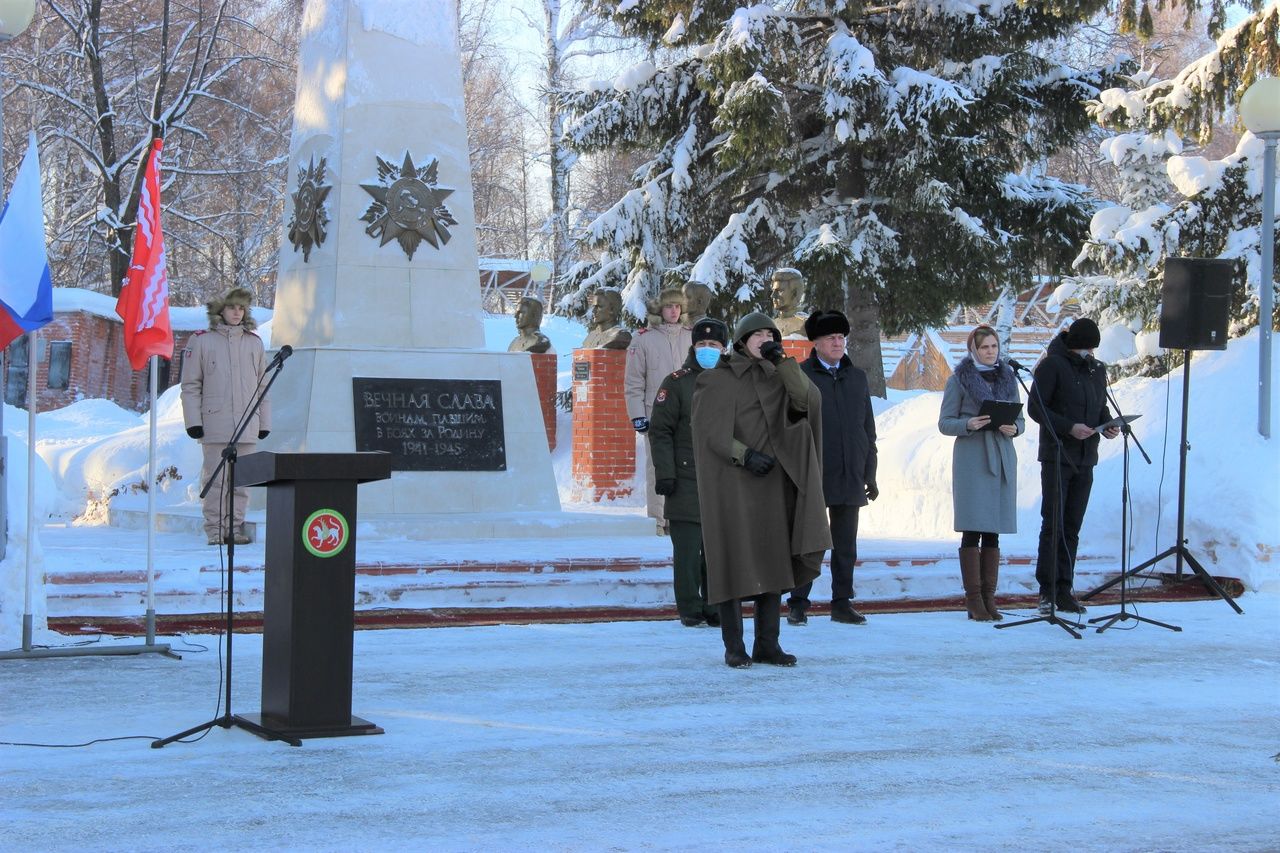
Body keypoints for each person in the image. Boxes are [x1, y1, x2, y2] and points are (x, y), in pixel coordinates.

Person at [692, 312, 830, 668]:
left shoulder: (778, 375)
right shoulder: (717, 380)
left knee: (773, 562)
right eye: (758, 334)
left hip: (773, 484)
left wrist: (783, 362)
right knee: (733, 561)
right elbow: (708, 432)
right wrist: (744, 455)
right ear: (741, 339)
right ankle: (734, 646)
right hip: (733, 484)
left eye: (771, 333)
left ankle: (767, 643)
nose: (765, 338)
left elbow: (809, 402)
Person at [789, 310, 879, 626]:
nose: (838, 343)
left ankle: (842, 602)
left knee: (846, 546)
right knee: (809, 542)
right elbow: (792, 427)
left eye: (842, 338)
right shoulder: (802, 376)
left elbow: (867, 428)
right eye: (831, 338)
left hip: (850, 471)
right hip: (814, 472)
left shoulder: (857, 377)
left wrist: (871, 471)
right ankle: (798, 602)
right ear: (817, 342)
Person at [1027, 318, 1120, 614]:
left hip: (1085, 456)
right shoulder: (1052, 365)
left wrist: (1106, 425)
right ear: (1072, 344)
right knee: (1053, 523)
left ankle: (1065, 587)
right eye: (1084, 348)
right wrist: (1069, 427)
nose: (1088, 353)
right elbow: (1036, 407)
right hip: (1057, 455)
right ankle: (1047, 590)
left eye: (1092, 349)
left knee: (1072, 526)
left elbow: (1098, 405)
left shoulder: (1097, 369)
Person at [938, 325, 1023, 622]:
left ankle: (990, 596)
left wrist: (1014, 428)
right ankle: (973, 598)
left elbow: (1020, 420)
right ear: (973, 349)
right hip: (973, 459)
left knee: (993, 530)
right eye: (984, 347)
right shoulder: (959, 380)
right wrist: (968, 424)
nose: (990, 351)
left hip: (1000, 456)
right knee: (973, 528)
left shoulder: (1008, 378)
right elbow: (945, 422)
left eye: (993, 347)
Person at [648, 317, 730, 627]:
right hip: (684, 478)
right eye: (702, 344)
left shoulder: (732, 379)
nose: (708, 350)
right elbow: (660, 431)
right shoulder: (676, 382)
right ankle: (690, 607)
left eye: (714, 345)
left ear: (724, 348)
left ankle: (714, 605)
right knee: (687, 550)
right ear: (693, 347)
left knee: (716, 551)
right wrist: (665, 473)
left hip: (722, 479)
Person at [181, 287, 271, 546]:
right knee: (216, 480)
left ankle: (233, 528)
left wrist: (264, 422)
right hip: (215, 423)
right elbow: (191, 386)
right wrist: (194, 422)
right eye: (232, 307)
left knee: (241, 483)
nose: (236, 312)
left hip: (247, 424)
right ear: (221, 310)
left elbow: (262, 386)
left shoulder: (254, 343)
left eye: (241, 308)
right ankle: (214, 530)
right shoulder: (202, 341)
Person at [626, 287, 693, 532]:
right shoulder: (643, 339)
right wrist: (637, 415)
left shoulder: (691, 336)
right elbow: (634, 382)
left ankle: (681, 518)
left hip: (688, 415)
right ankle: (658, 521)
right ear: (659, 309)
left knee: (688, 466)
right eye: (668, 306)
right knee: (657, 467)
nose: (674, 311)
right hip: (656, 416)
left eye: (677, 306)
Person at [769, 268, 809, 338]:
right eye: (773, 290)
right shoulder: (771, 325)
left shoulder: (807, 325)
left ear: (794, 293)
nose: (772, 295)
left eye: (780, 291)